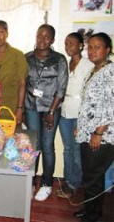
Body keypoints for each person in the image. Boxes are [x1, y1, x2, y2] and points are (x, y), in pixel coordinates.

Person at [24, 24, 68, 201]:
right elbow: (23, 84)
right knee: (33, 146)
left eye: (46, 36)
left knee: (48, 146)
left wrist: (51, 111)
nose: (42, 39)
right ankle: (31, 180)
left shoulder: (59, 59)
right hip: (31, 107)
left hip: (51, 108)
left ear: (52, 40)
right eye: (39, 35)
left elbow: (61, 87)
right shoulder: (27, 58)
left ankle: (47, 184)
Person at [74, 32, 114, 222]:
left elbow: (111, 106)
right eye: (90, 46)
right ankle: (90, 210)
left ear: (108, 50)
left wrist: (98, 132)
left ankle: (92, 217)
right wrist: (80, 127)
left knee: (93, 178)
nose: (92, 50)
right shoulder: (95, 69)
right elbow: (91, 103)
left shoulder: (110, 72)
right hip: (88, 133)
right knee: (90, 177)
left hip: (102, 136)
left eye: (97, 47)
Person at [57, 32, 94, 198]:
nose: (68, 46)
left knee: (77, 151)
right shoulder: (65, 63)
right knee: (67, 149)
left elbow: (89, 94)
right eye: (66, 43)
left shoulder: (88, 65)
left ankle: (74, 184)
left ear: (81, 45)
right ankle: (68, 179)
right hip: (65, 111)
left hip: (80, 113)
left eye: (72, 43)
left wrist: (83, 121)